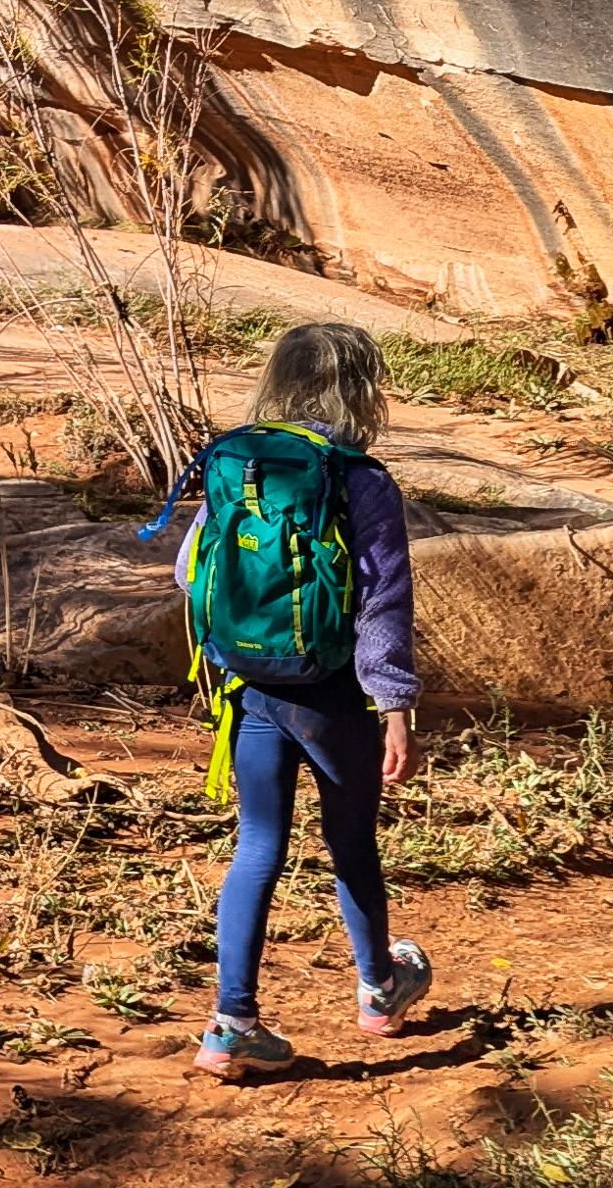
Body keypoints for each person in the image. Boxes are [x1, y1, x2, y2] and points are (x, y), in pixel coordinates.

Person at [182, 321, 430, 1080]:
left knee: (258, 845)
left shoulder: (240, 462)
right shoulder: (360, 477)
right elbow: (382, 600)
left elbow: (192, 568)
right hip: (332, 697)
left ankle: (231, 1025)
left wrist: (236, 651)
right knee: (350, 842)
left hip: (254, 688)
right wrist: (393, 704)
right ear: (359, 389)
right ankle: (380, 990)